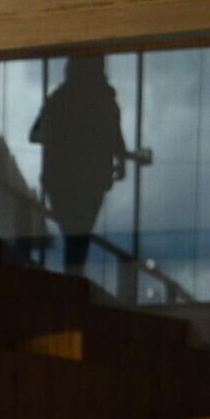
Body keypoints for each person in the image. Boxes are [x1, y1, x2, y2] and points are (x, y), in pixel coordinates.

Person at [29, 54, 138, 277]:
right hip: (91, 180)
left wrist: (61, 138)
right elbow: (116, 138)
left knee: (74, 233)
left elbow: (35, 135)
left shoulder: (59, 99)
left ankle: (73, 275)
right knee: (80, 234)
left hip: (60, 178)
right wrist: (120, 162)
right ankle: (73, 275)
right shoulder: (105, 101)